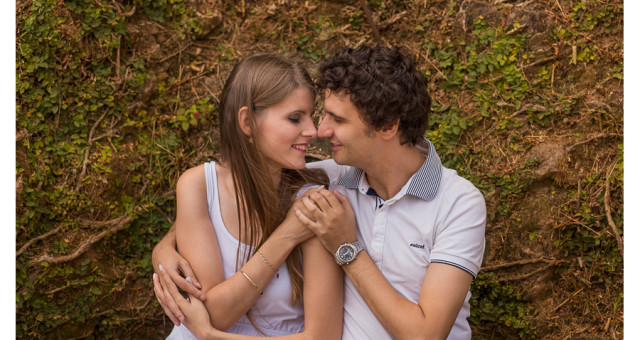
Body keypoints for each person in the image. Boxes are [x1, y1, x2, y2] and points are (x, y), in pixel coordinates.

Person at [154, 45, 486, 339]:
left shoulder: (458, 204)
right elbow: (230, 193)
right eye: (319, 115)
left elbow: (425, 335)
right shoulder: (332, 178)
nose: (319, 131)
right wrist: (166, 249)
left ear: (387, 126)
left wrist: (347, 247)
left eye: (337, 120)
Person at [152, 54, 344, 339]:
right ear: (246, 122)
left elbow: (323, 336)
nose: (312, 131)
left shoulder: (312, 201)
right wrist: (287, 235)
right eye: (295, 118)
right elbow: (216, 312)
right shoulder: (199, 186)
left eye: (310, 116)